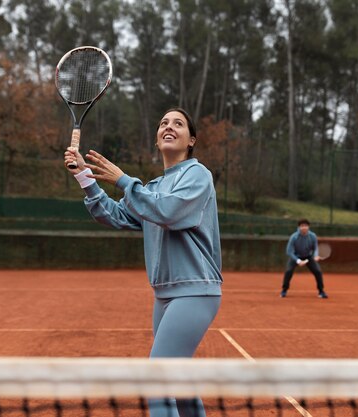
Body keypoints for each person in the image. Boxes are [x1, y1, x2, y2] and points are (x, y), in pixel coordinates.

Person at [64, 108, 222, 417]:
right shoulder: (150, 188)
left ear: (191, 140)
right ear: (157, 138)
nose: (169, 126)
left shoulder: (198, 175)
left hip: (195, 292)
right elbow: (115, 215)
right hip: (164, 294)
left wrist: (123, 180)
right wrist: (84, 176)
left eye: (178, 123)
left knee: (157, 380)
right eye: (163, 122)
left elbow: (170, 212)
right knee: (179, 383)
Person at [280, 218, 328, 299]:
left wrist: (315, 255)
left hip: (308, 257)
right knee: (288, 271)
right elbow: (289, 251)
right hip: (295, 257)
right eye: (302, 226)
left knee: (318, 271)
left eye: (306, 226)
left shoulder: (313, 236)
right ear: (299, 227)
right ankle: (284, 290)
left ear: (308, 227)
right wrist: (298, 261)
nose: (304, 227)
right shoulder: (294, 237)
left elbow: (315, 247)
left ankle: (321, 291)